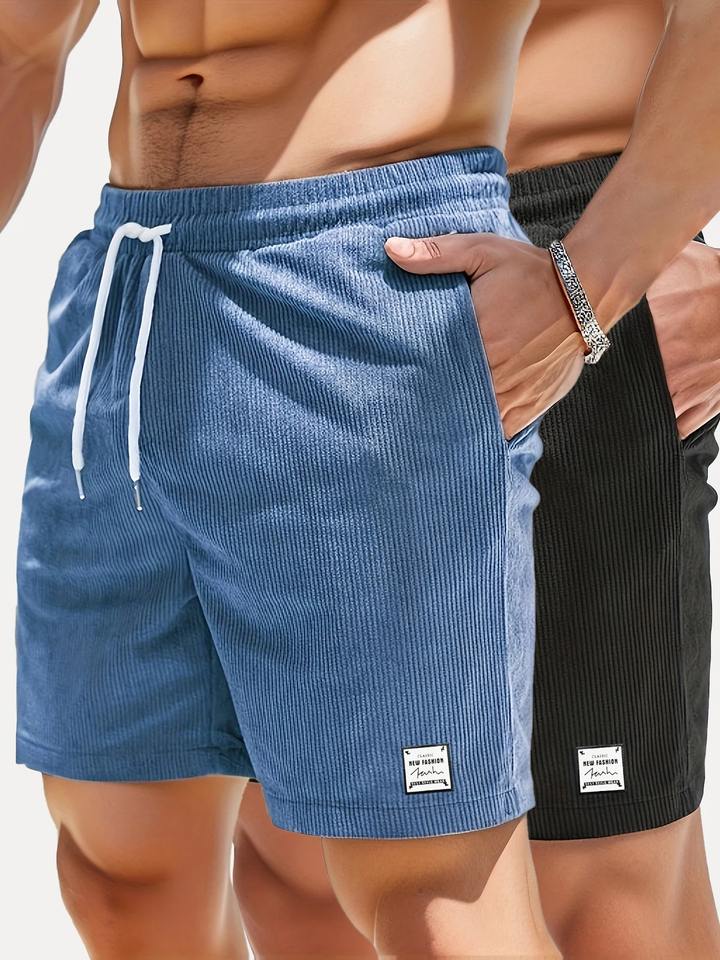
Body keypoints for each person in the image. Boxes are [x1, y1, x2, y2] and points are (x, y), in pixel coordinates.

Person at [6, 1, 719, 957]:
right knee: (125, 873)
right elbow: (20, 44)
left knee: (451, 900)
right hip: (129, 288)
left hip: (377, 273)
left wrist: (593, 280)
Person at [232, 3, 720, 958]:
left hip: (556, 250)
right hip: (284, 270)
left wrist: (617, 267)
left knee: (596, 897)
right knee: (301, 875)